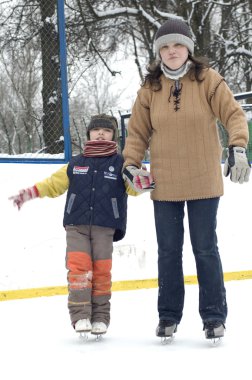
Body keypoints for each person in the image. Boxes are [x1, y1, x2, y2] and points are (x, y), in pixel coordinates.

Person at [122, 18, 251, 341]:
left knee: (205, 248)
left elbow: (234, 115)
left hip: (204, 180)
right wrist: (131, 164)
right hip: (164, 183)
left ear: (189, 48)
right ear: (159, 53)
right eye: (165, 47)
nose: (172, 51)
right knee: (168, 251)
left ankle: (213, 317)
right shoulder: (150, 88)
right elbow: (137, 133)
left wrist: (237, 146)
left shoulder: (208, 80)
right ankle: (168, 316)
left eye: (178, 45)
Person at [9, 114, 137, 338]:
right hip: (76, 226)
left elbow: (134, 188)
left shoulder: (120, 164)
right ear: (88, 134)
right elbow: (53, 184)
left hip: (105, 227)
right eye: (95, 130)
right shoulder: (76, 163)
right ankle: (80, 316)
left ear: (113, 136)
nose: (100, 133)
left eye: (106, 131)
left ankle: (100, 318)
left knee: (101, 272)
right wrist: (30, 193)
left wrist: (147, 181)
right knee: (79, 269)